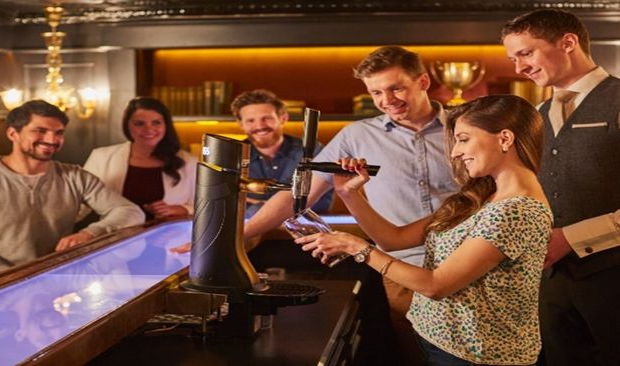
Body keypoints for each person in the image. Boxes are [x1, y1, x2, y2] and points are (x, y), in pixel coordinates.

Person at [297, 95, 552, 365]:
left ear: (504, 139)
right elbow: (393, 239)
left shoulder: (516, 211)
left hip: (477, 356)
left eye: (463, 139)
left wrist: (356, 247)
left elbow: (436, 285)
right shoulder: (481, 196)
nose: (454, 152)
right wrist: (349, 194)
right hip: (442, 342)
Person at [243, 46, 459, 364]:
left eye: (396, 87)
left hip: (470, 261)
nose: (387, 100)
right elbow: (296, 195)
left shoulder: (466, 125)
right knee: (419, 356)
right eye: (376, 92)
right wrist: (238, 235)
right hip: (401, 268)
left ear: (423, 81)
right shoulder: (356, 136)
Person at [502, 9, 620, 366]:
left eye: (526, 53)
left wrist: (572, 236)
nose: (519, 68)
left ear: (568, 42)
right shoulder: (534, 114)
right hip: (550, 283)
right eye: (513, 58)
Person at [0, 100, 144, 276]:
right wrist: (4, 274)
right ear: (13, 134)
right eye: (41, 131)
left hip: (54, 280)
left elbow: (130, 211)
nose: (52, 139)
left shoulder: (75, 176)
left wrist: (89, 233)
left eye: (59, 132)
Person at [83, 97, 198, 220]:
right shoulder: (101, 157)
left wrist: (181, 209)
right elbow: (80, 203)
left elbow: (208, 206)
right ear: (127, 126)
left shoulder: (190, 162)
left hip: (172, 237)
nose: (148, 129)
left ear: (166, 125)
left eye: (156, 122)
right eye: (139, 124)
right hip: (118, 235)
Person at [230, 89, 333, 218]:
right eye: (250, 121)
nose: (260, 126)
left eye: (267, 118)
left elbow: (322, 200)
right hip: (251, 230)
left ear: (283, 118)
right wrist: (284, 205)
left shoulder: (311, 150)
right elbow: (226, 201)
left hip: (305, 231)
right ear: (241, 124)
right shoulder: (231, 155)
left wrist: (259, 206)